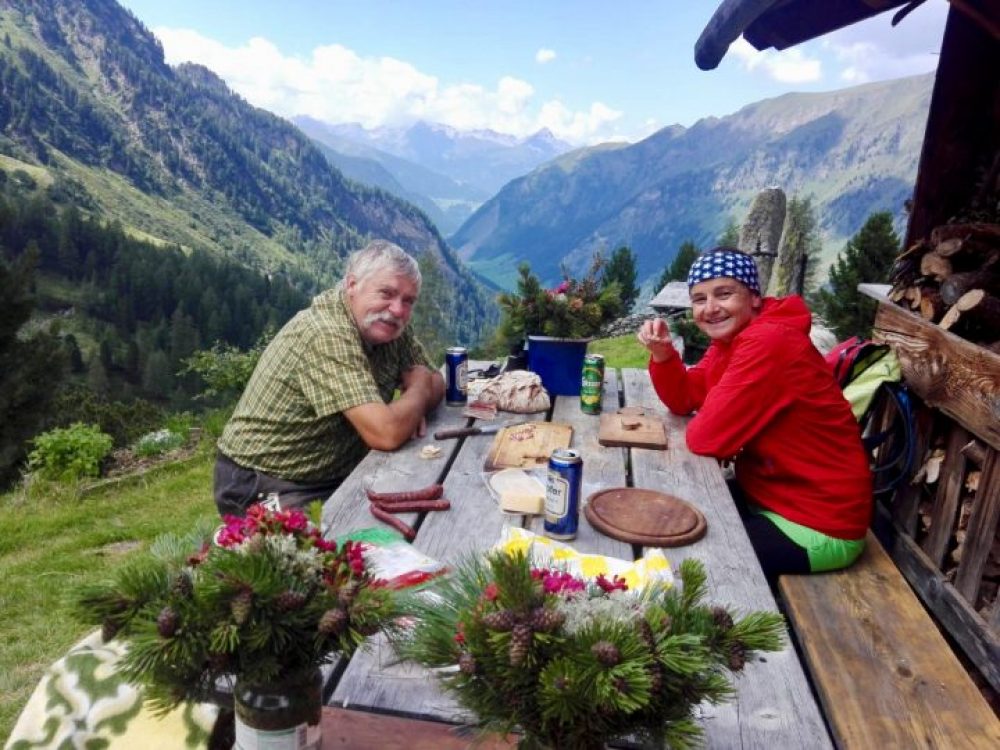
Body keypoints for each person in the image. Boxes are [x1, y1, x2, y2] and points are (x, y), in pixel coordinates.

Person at [637, 248, 872, 578]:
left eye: (724, 293)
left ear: (754, 297)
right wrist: (663, 356)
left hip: (817, 524)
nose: (710, 308)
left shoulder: (768, 341)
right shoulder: (735, 340)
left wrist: (718, 407)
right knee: (665, 511)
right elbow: (685, 397)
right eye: (699, 299)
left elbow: (706, 437)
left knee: (685, 560)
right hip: (770, 497)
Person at [214, 239, 445, 516]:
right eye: (386, 293)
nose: (398, 309)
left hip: (331, 473)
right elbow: (387, 433)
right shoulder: (326, 333)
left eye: (408, 300)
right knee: (351, 547)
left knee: (425, 498)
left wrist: (412, 401)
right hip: (265, 479)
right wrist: (417, 392)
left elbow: (439, 382)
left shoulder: (386, 325)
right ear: (351, 286)